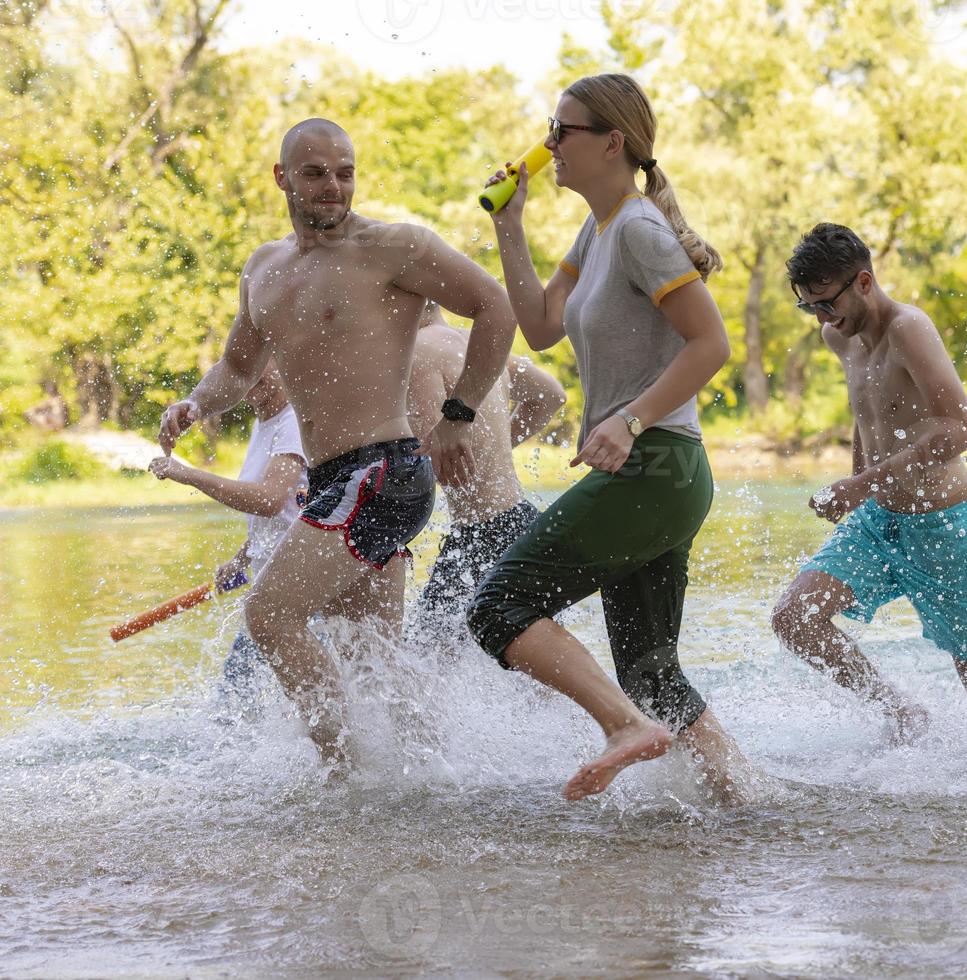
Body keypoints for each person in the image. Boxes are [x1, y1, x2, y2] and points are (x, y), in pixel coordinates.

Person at [157, 118, 519, 765]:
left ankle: (341, 773)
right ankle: (440, 775)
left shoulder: (394, 247)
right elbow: (238, 370)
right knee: (369, 656)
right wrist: (194, 403)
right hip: (334, 483)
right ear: (282, 178)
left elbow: (496, 305)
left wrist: (457, 418)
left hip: (384, 471)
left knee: (269, 618)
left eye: (345, 172)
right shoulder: (263, 269)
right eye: (316, 172)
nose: (333, 186)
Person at [473, 73, 753, 801]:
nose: (549, 143)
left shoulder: (637, 229)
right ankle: (746, 805)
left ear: (612, 142)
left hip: (656, 466)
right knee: (651, 672)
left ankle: (626, 730)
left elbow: (711, 342)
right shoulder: (596, 229)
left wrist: (628, 422)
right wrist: (510, 225)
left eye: (562, 129)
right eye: (550, 127)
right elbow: (538, 324)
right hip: (660, 476)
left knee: (498, 607)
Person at [770, 223, 967, 739]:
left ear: (863, 282)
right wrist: (855, 484)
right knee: (795, 617)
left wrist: (860, 486)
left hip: (945, 531)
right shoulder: (837, 336)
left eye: (826, 303)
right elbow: (865, 414)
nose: (821, 317)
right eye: (810, 307)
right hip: (879, 523)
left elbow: (960, 429)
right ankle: (900, 710)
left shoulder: (909, 328)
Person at [405, 301, 566, 633]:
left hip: (482, 534)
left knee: (428, 659)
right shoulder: (475, 344)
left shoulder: (420, 352)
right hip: (522, 524)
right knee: (533, 666)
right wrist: (496, 444)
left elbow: (427, 451)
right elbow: (551, 395)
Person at [148, 361, 307, 690]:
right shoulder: (264, 423)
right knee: (235, 699)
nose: (252, 373)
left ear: (283, 356)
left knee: (246, 697)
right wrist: (242, 558)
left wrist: (187, 474)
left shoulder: (294, 420)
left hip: (301, 591)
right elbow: (286, 516)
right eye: (246, 366)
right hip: (270, 588)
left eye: (262, 362)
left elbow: (271, 499)